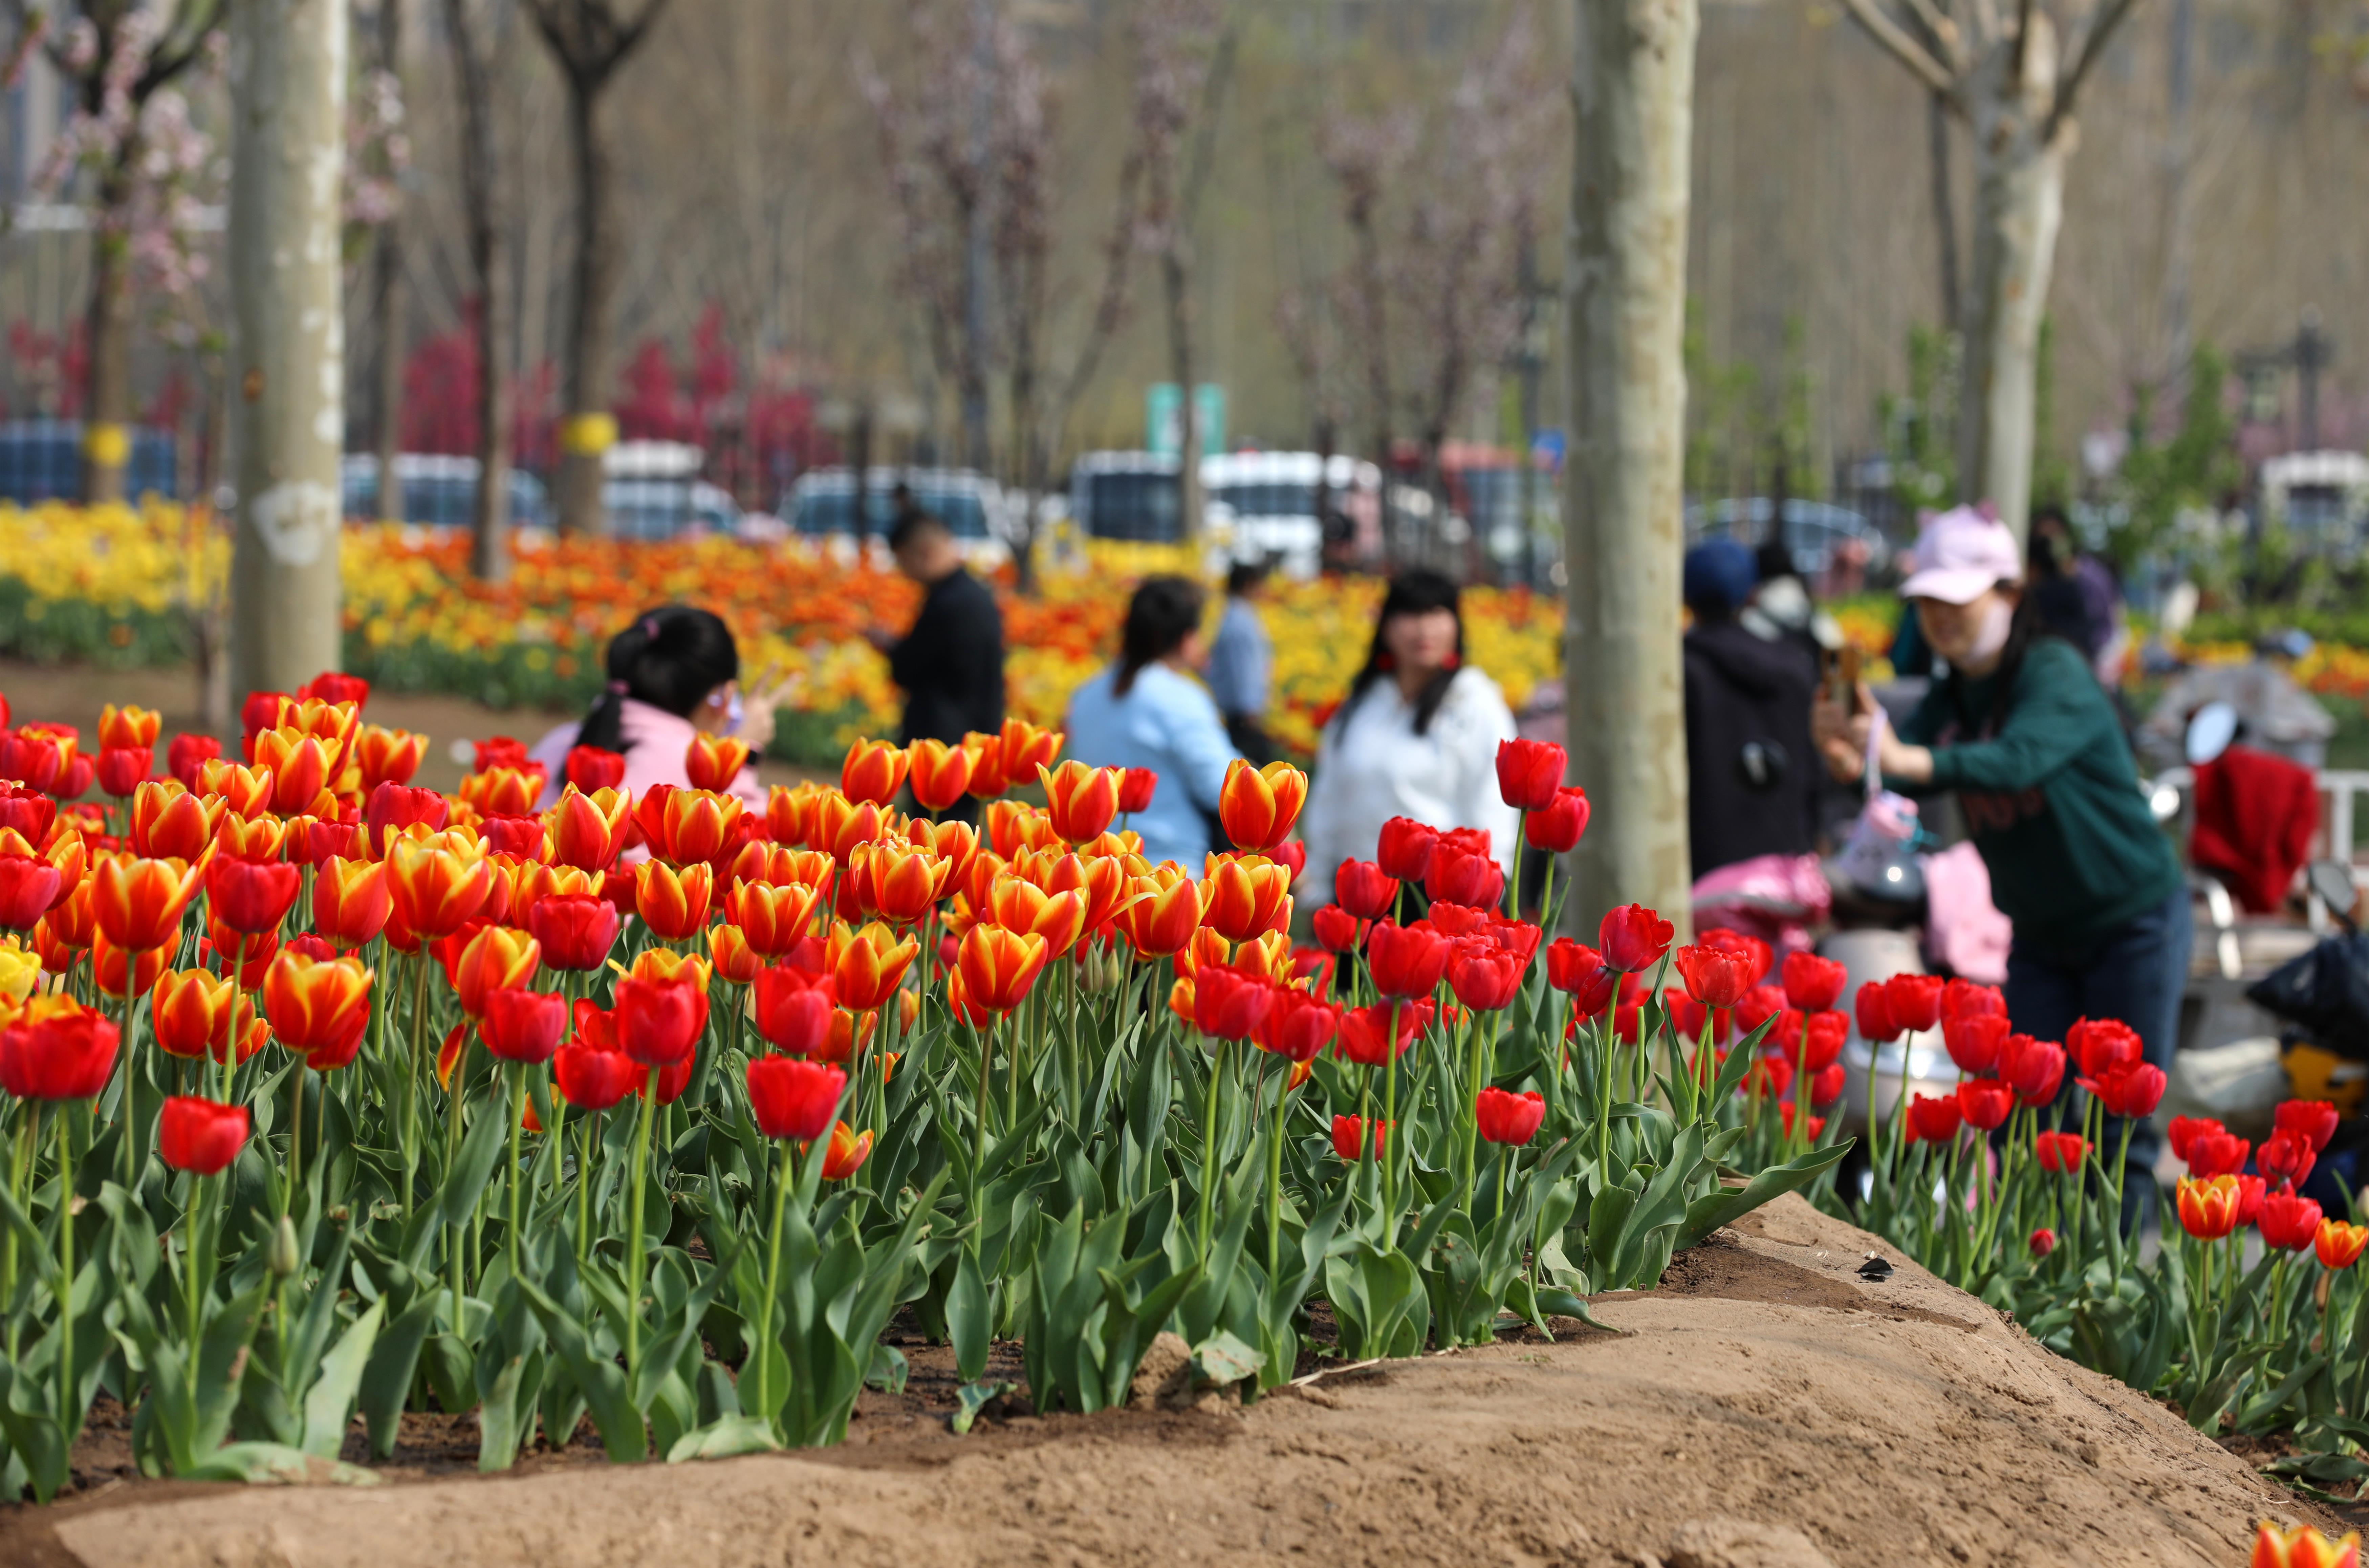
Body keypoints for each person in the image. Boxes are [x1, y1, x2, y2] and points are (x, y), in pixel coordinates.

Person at [1812, 505, 2189, 1181]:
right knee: (2024, 1126)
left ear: (2010, 594)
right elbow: (1905, 767)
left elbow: (2015, 761)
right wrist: (1853, 757)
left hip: (2131, 924)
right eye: (1928, 602)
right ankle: (2038, 1254)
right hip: (2040, 936)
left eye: (1957, 599)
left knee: (2119, 1131)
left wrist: (1898, 757)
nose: (1940, 617)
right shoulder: (1954, 691)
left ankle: (2113, 1253)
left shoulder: (2054, 670)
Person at [1297, 569, 1519, 908]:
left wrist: (1489, 892)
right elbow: (1330, 795)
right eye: (1411, 614)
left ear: (1456, 625)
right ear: (1386, 626)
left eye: (1436, 613)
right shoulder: (1361, 705)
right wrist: (1319, 880)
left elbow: (1491, 803)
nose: (1424, 629)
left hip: (1438, 897)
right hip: (1357, 889)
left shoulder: (1475, 703)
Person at [529, 606, 788, 808]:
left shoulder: (559, 739)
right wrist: (740, 754)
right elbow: (748, 832)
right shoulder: (681, 763)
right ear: (724, 697)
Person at [1063, 575, 1239, 870]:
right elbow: (1223, 788)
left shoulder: (1086, 695)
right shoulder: (1180, 697)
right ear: (1187, 638)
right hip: (1172, 870)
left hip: (1096, 867)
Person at [1682, 537, 1821, 879]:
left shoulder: (1677, 670)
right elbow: (1815, 772)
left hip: (1703, 873)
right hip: (1785, 869)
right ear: (1753, 595)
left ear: (1685, 598)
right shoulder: (1795, 666)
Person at [867, 510, 1005, 760]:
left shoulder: (947, 604)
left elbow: (907, 668)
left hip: (942, 746)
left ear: (924, 552)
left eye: (903, 561)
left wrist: (890, 646)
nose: (904, 572)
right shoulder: (977, 595)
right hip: (976, 742)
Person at [1205, 559, 1276, 765]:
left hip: (1238, 712)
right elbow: (1243, 667)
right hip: (1244, 715)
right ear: (1248, 585)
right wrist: (1250, 708)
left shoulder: (1235, 615)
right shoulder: (1240, 621)